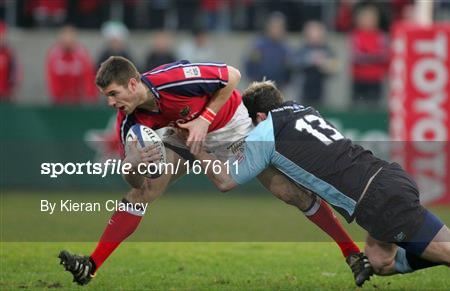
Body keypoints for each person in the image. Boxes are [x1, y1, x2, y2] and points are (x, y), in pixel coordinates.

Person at [185, 80, 450, 287]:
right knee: (380, 261)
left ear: (257, 116)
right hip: (387, 178)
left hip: (377, 202)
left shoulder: (263, 133)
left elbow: (226, 181)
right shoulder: (303, 110)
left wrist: (197, 145)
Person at [58, 57, 365, 286]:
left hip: (234, 126)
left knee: (291, 192)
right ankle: (92, 264)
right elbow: (134, 178)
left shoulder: (174, 79)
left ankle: (352, 252)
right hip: (183, 134)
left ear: (134, 84)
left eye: (114, 94)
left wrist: (204, 118)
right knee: (144, 190)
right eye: (107, 97)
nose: (111, 102)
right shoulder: (130, 122)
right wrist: (134, 167)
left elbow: (231, 76)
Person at [45, 24, 97, 104]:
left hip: (79, 101)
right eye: (65, 37)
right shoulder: (54, 55)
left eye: (70, 37)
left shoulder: (82, 55)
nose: (67, 40)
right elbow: (52, 79)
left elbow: (88, 77)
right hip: (59, 101)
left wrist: (90, 96)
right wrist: (57, 97)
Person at [349, 5, 389, 107]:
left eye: (371, 19)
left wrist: (368, 56)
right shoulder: (356, 35)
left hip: (375, 78)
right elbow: (356, 56)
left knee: (374, 105)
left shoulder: (381, 36)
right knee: (357, 105)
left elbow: (384, 55)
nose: (368, 21)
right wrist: (373, 56)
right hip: (359, 77)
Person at [294, 21, 338, 106]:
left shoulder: (326, 50)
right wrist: (309, 60)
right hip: (304, 87)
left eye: (316, 33)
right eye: (311, 33)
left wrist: (324, 64)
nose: (314, 36)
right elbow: (294, 63)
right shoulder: (303, 49)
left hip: (321, 88)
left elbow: (335, 67)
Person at [245, 12, 292, 89]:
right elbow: (250, 64)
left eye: (279, 27)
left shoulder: (285, 48)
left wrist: (285, 82)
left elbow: (290, 68)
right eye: (274, 27)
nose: (276, 30)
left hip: (279, 87)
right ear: (268, 27)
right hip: (260, 86)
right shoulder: (259, 45)